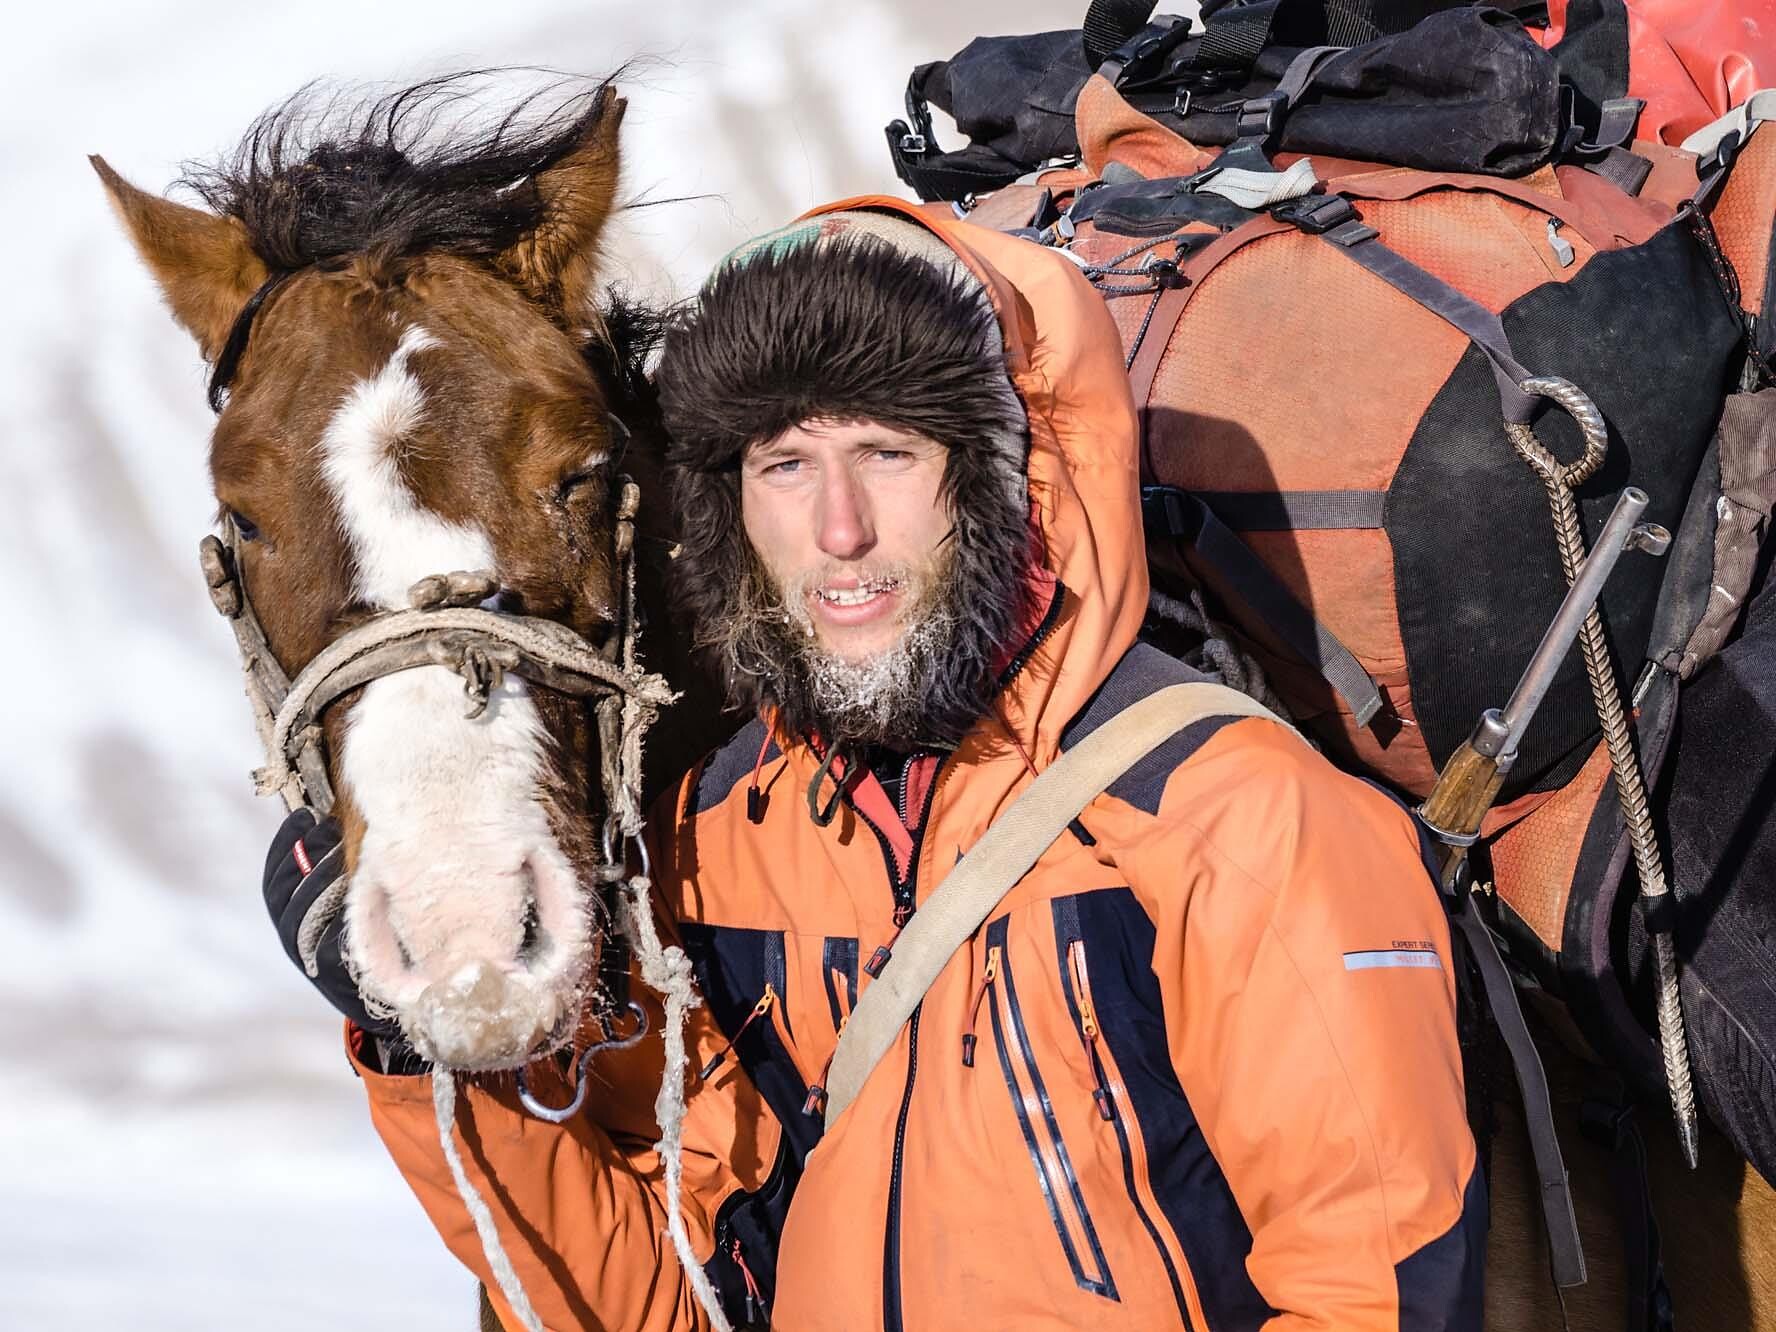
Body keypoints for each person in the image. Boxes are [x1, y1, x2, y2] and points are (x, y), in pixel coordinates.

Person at [264, 201, 1486, 1330]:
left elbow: (1368, 1291)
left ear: (1010, 477)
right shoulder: (723, 837)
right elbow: (662, 1298)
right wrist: (430, 1043)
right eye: (783, 466)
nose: (837, 530)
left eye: (889, 452)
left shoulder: (1239, 820)